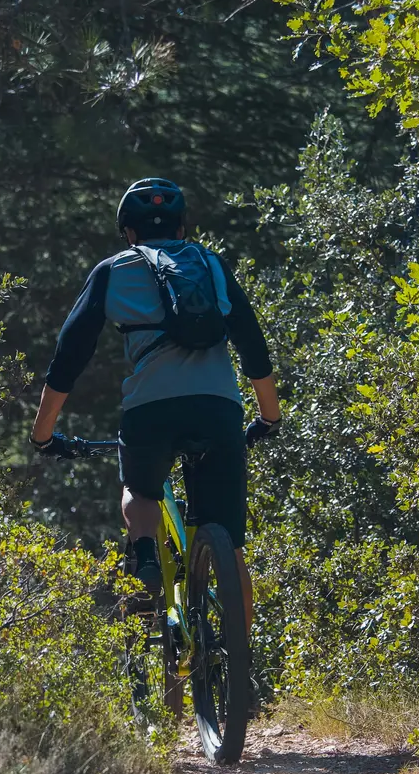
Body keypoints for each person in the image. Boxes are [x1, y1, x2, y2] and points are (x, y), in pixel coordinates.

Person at [28, 177, 281, 611]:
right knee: (232, 550)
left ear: (129, 233)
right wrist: (269, 417)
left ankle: (145, 550)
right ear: (182, 229)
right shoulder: (213, 266)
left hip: (151, 409)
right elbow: (253, 346)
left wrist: (43, 434)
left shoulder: (113, 270)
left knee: (141, 488)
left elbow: (70, 355)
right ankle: (241, 673)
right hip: (218, 408)